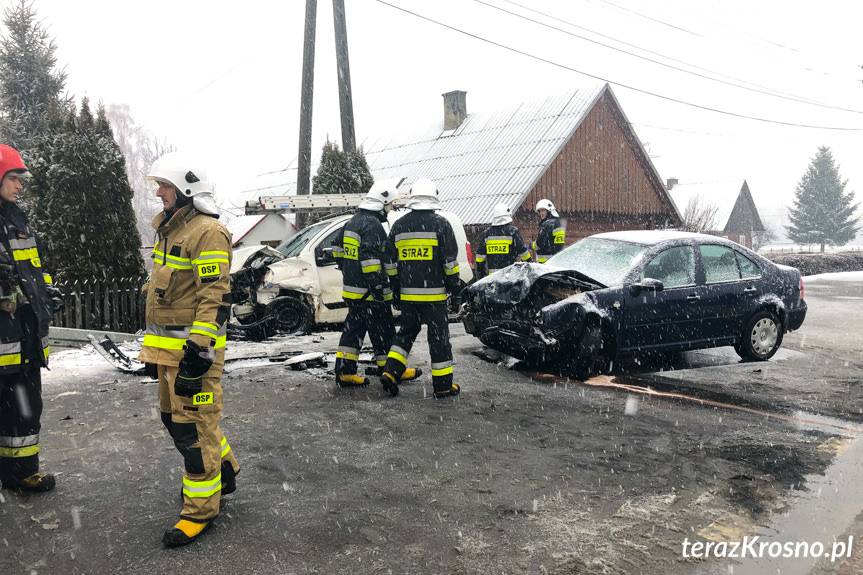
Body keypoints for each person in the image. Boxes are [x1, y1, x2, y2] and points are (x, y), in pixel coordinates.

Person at [139, 152, 240, 548]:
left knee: (193, 430)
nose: (160, 193)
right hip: (169, 354)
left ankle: (200, 511)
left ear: (185, 191)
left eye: (165, 186)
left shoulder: (207, 232)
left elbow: (214, 296)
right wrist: (154, 353)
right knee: (174, 420)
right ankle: (226, 468)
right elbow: (166, 299)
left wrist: (199, 351)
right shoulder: (171, 231)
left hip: (194, 355)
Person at [0, 144, 60, 493]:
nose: (19, 186)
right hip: (5, 331)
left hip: (22, 336)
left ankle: (21, 472)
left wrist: (47, 291)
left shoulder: (16, 217)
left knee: (23, 408)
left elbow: (32, 268)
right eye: (13, 178)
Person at [333, 181, 421, 387]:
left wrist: (348, 268)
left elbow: (336, 247)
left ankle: (347, 371)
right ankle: (391, 370)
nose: (390, 210)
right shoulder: (372, 226)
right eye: (389, 205)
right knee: (384, 329)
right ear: (381, 204)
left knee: (355, 330)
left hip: (354, 290)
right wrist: (379, 287)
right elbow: (371, 261)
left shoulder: (353, 222)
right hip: (370, 293)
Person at [380, 178, 461, 399]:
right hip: (434, 297)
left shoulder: (399, 226)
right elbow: (450, 265)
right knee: (439, 339)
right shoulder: (441, 225)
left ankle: (390, 371)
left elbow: (389, 262)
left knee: (405, 334)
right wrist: (455, 289)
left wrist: (396, 289)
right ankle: (443, 386)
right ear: (433, 199)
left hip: (408, 296)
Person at [474, 203, 531, 278]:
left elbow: (480, 257)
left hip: (493, 277)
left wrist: (480, 273)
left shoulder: (486, 234)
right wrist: (530, 263)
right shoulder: (512, 231)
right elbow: (523, 252)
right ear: (508, 216)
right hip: (509, 276)